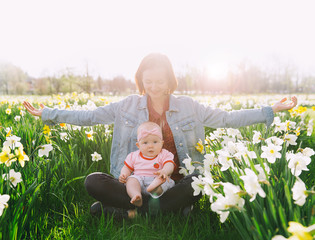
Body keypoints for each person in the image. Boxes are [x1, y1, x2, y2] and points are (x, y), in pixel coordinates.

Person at [23, 52, 298, 218]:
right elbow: (89, 117)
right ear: (141, 80)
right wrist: (49, 113)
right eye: (148, 81)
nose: (153, 87)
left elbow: (227, 119)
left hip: (175, 184)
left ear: (170, 81)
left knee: (198, 181)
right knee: (93, 181)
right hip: (135, 185)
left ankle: (128, 213)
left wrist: (268, 110)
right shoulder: (127, 105)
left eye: (160, 81)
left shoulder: (189, 106)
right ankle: (158, 211)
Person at [119, 121, 175, 218]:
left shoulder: (164, 154)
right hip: (139, 181)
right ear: (138, 145)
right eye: (145, 142)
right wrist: (124, 174)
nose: (150, 145)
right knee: (131, 180)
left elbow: (170, 165)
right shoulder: (133, 156)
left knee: (167, 181)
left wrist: (165, 171)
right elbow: (127, 168)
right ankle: (136, 196)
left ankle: (156, 190)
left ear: (162, 143)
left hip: (157, 179)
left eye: (155, 142)